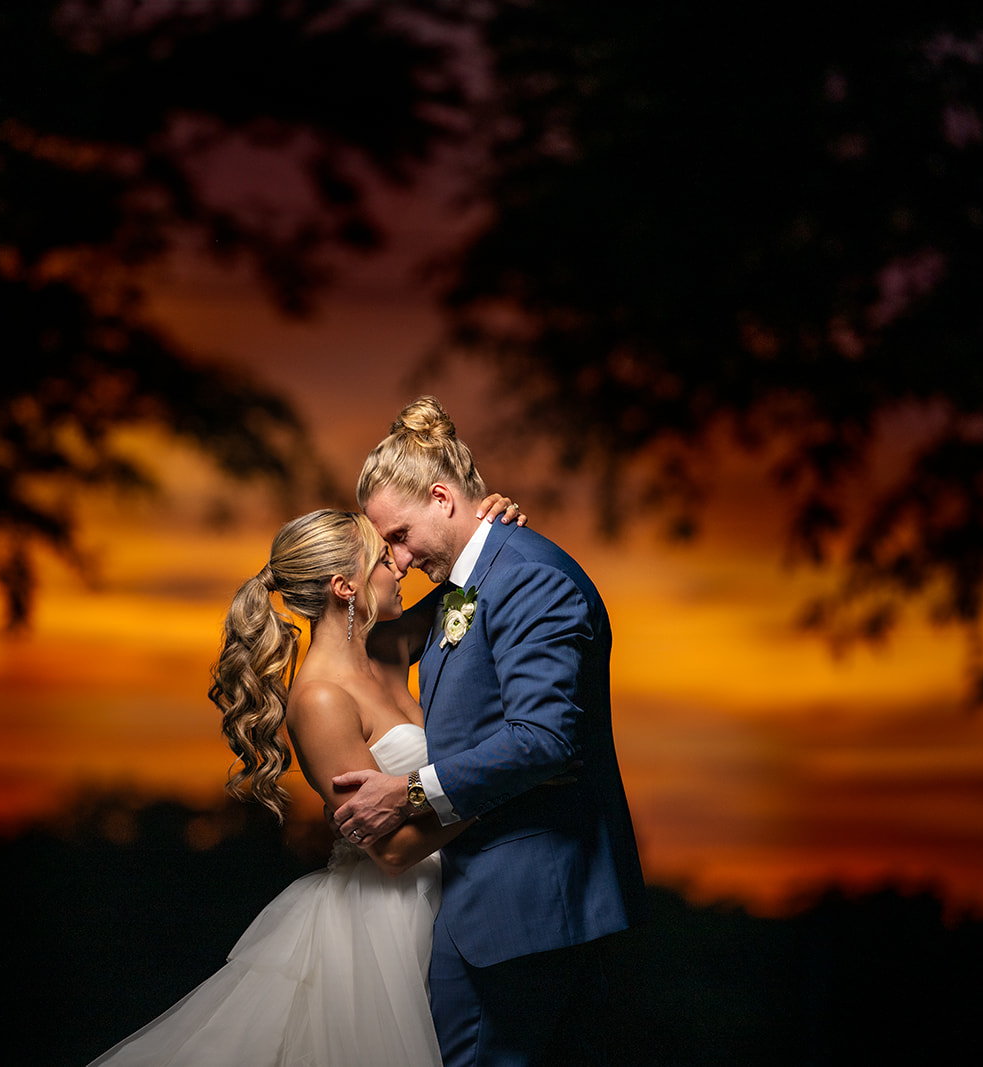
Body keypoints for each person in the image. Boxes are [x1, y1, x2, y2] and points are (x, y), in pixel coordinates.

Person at [86, 496, 523, 1067]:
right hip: (382, 924)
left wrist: (488, 527)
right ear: (345, 587)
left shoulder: (388, 647)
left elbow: (467, 585)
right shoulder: (320, 700)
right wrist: (501, 784)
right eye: (384, 558)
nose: (401, 564)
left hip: (449, 894)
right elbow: (390, 853)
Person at [332, 396, 649, 1067]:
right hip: (501, 903)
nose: (396, 557)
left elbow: (544, 738)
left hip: (524, 906)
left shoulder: (527, 576)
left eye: (397, 535)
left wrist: (408, 793)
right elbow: (390, 638)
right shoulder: (471, 582)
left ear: (443, 497)